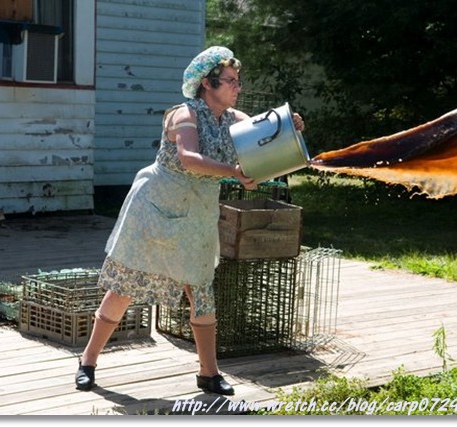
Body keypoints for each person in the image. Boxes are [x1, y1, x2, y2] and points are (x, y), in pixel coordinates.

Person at [74, 46, 305, 396]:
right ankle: (88, 362)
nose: (237, 87)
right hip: (155, 210)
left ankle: (208, 373)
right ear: (207, 83)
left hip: (197, 214)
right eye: (230, 81)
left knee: (201, 291)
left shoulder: (233, 119)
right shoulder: (183, 114)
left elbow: (265, 133)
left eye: (237, 81)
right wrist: (234, 172)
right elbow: (189, 158)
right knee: (124, 287)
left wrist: (291, 127)